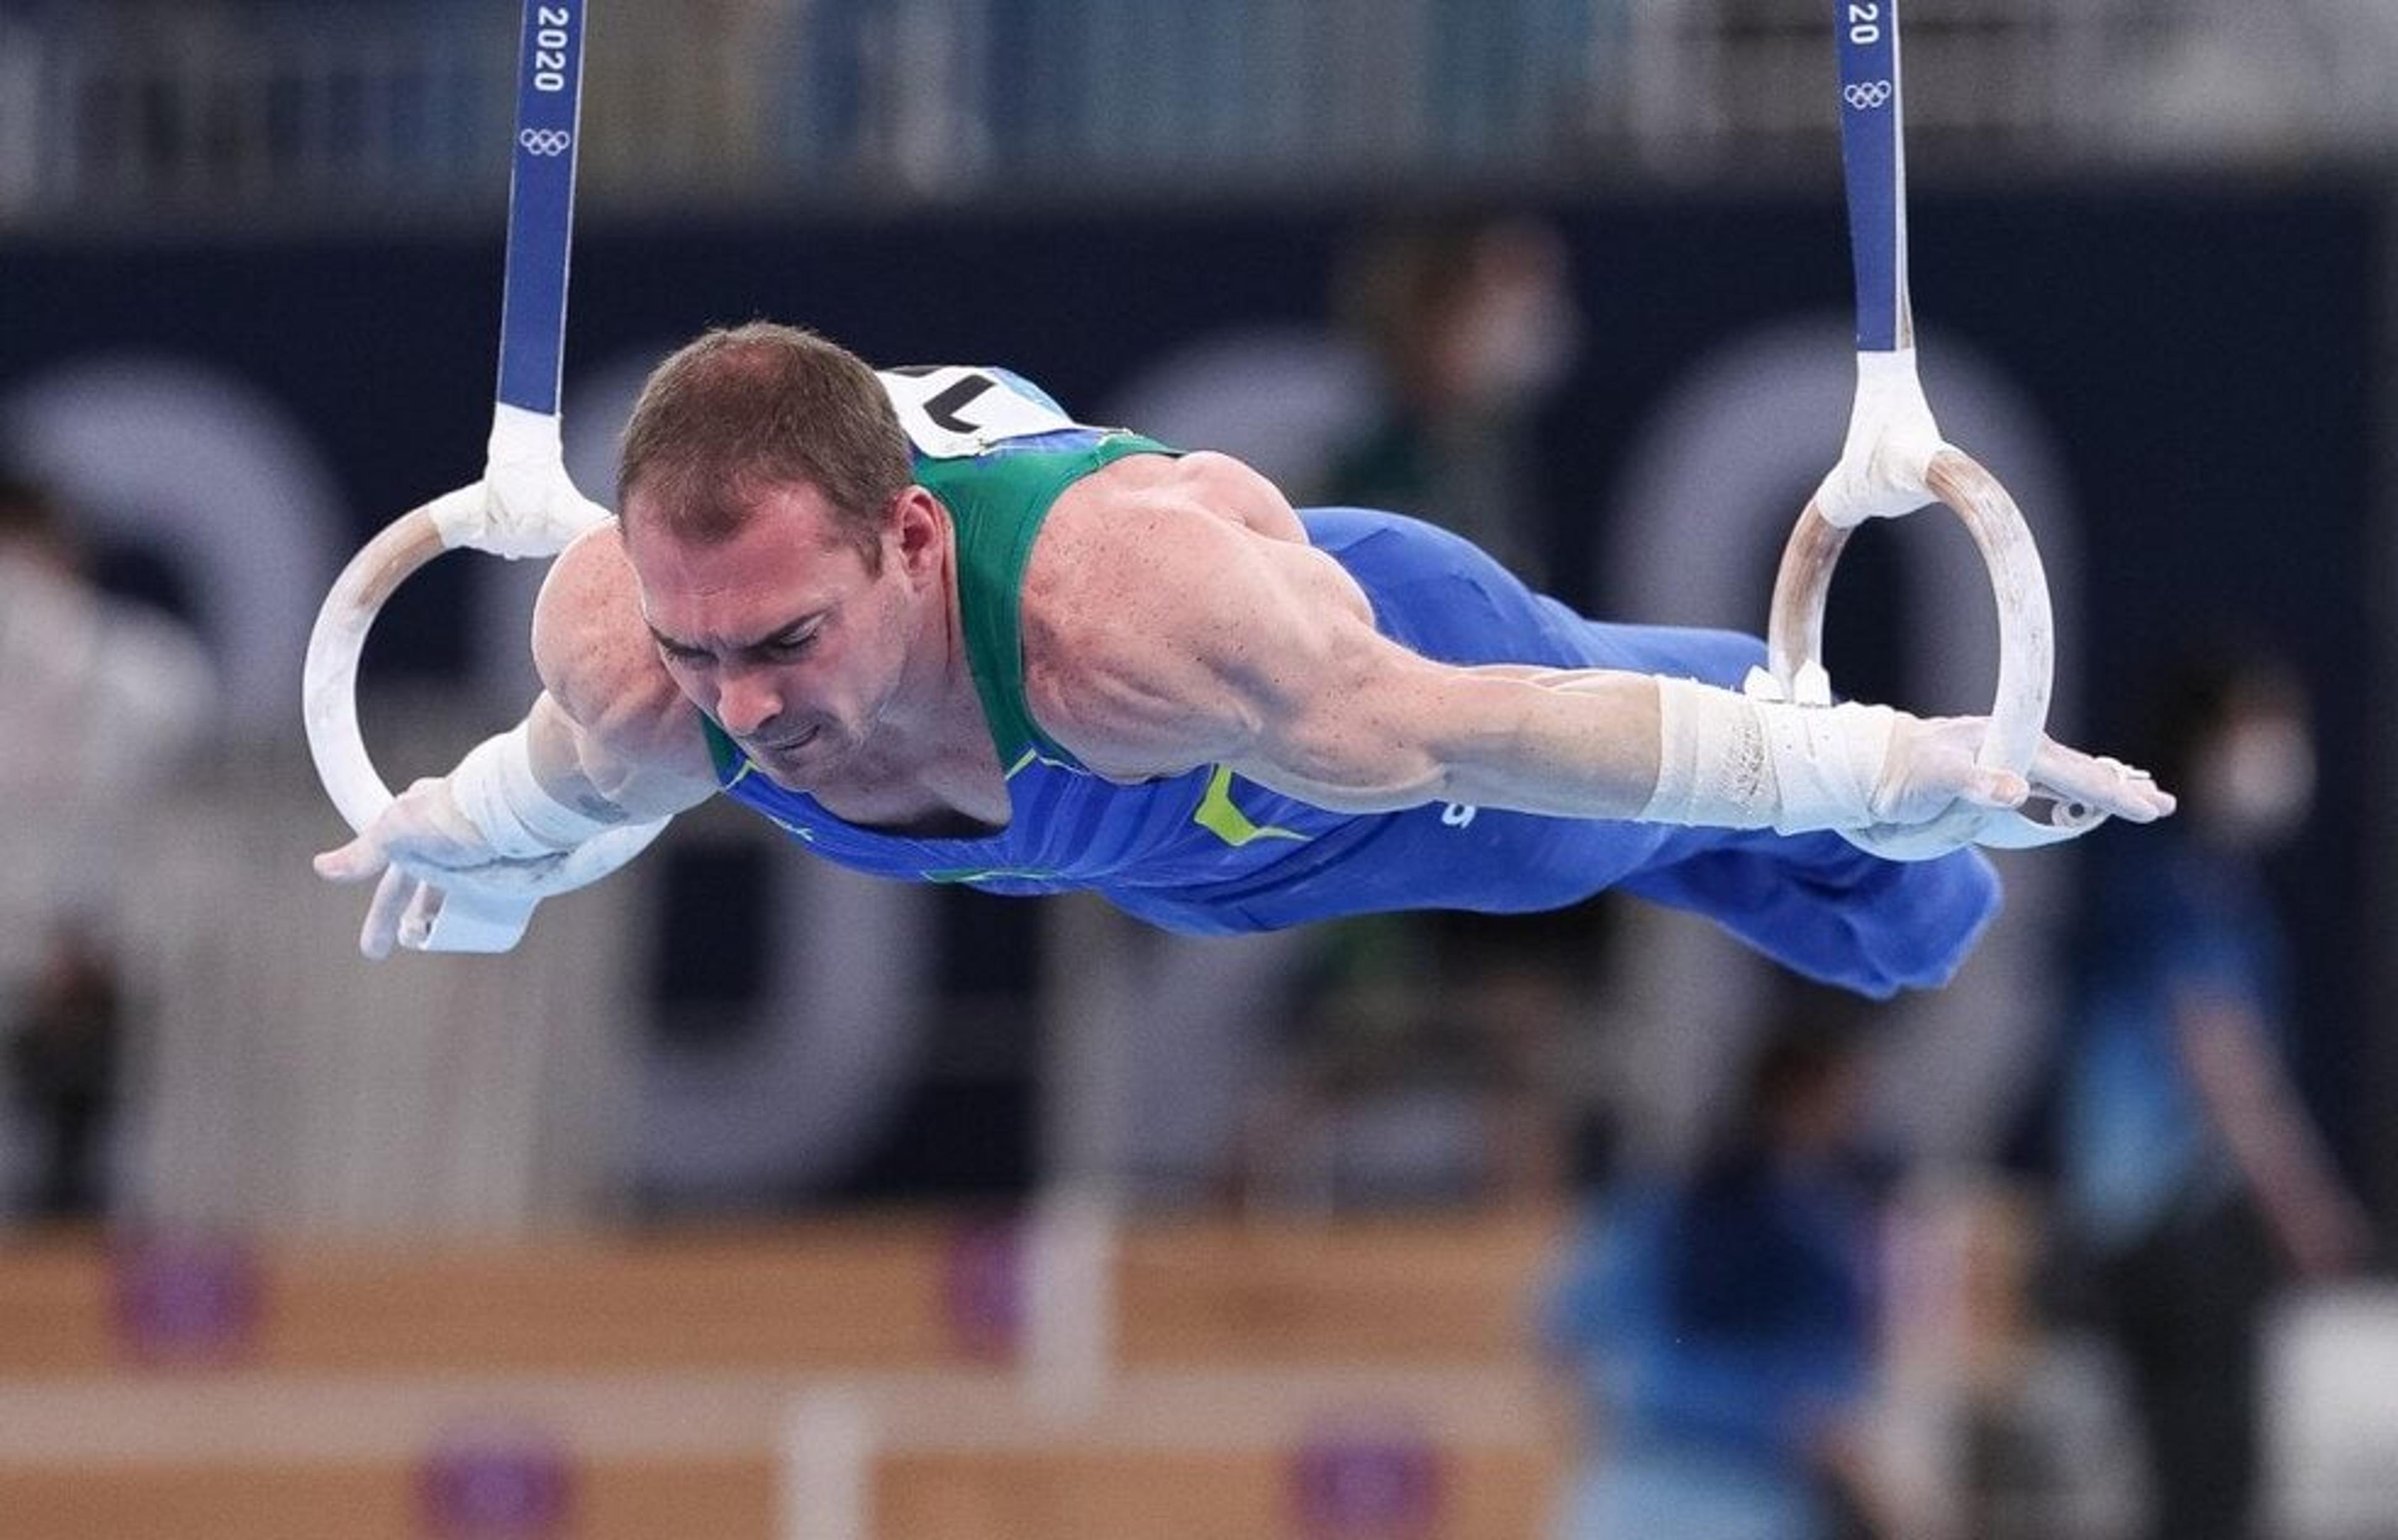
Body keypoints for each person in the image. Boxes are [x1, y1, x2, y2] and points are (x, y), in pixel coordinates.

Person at [313, 325, 2171, 993]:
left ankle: (1902, 857)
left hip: (1350, 725)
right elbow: (585, 777)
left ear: (908, 542)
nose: (747, 707)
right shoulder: (645, 662)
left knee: (1806, 878)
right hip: (1174, 860)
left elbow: (1488, 727)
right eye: (698, 647)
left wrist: (1871, 769)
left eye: (785, 642)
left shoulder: (1119, 629)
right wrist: (475, 840)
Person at [2040, 654, 2367, 1540]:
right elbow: (2219, 1058)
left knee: (2203, 1480)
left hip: (2171, 1225)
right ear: (2207, 740)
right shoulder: (2170, 882)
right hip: (2170, 1232)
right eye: (2262, 725)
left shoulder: (2211, 882)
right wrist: (2304, 1205)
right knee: (2207, 1486)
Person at [1541, 1004, 1896, 1540]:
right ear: (1807, 1101)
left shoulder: (1653, 1209)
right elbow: (1826, 1419)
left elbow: (1558, 1338)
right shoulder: (1816, 1239)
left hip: (1629, 1491)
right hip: (1740, 1495)